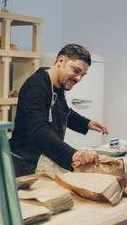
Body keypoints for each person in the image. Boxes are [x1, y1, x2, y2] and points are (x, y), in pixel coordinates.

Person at [9, 44, 109, 177]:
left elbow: (63, 111)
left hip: (44, 158)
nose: (78, 79)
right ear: (61, 61)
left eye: (83, 75)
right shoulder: (36, 86)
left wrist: (87, 123)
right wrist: (73, 154)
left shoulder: (57, 84)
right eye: (76, 70)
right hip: (25, 164)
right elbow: (39, 130)